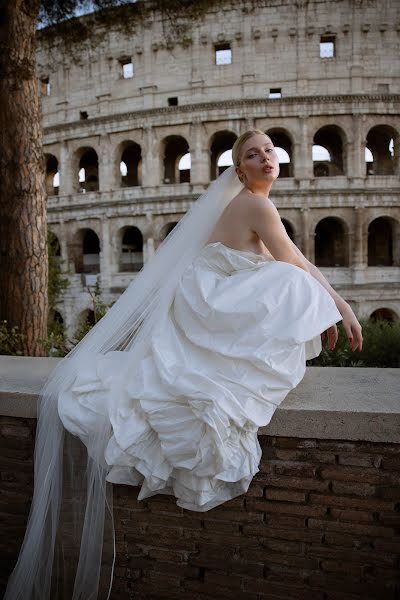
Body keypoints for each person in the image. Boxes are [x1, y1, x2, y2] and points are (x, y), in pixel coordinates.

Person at [5, 129, 362, 600]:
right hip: (210, 309)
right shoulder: (257, 205)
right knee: (291, 284)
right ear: (240, 170)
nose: (265, 158)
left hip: (202, 311)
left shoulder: (233, 205)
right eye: (253, 155)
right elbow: (295, 262)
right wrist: (341, 306)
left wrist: (321, 303)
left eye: (270, 151)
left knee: (288, 285)